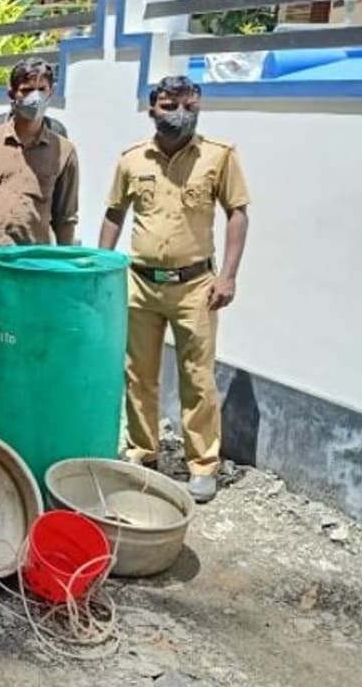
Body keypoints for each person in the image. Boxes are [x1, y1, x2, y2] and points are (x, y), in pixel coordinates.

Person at [100, 76, 250, 504]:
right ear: (152, 110)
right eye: (169, 105)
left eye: (188, 104)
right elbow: (114, 213)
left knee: (198, 379)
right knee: (138, 375)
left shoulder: (218, 157)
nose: (180, 113)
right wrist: (102, 268)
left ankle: (202, 464)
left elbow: (237, 214)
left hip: (196, 288)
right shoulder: (133, 160)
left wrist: (229, 276)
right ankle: (142, 454)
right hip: (141, 285)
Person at [0, 58, 80, 368]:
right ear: (12, 93)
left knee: (21, 347)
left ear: (51, 93)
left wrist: (66, 273)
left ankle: (11, 409)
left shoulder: (63, 151)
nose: (34, 97)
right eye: (26, 89)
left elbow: (65, 218)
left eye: (41, 89)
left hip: (32, 267)